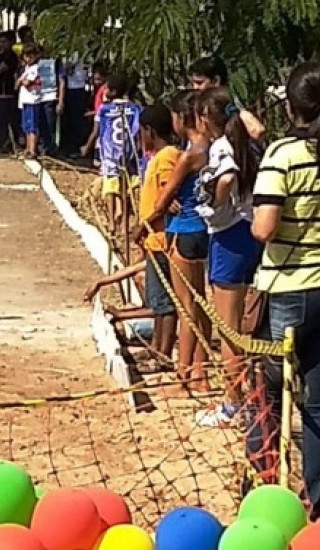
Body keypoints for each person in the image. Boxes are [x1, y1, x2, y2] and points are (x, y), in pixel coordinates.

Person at [249, 61, 320, 518]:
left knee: (269, 390)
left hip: (289, 289)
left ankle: (261, 487)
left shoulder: (283, 154)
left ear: (290, 106)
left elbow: (264, 227)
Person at [191, 87, 264, 427]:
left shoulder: (222, 145)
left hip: (229, 236)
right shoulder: (247, 140)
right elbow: (259, 130)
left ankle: (233, 403)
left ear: (206, 119)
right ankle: (248, 395)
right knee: (246, 324)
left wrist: (218, 202)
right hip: (248, 232)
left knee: (228, 328)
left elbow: (228, 176)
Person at [155, 90, 212, 394]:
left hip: (184, 230)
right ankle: (200, 373)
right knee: (202, 307)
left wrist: (146, 223)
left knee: (186, 308)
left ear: (180, 119)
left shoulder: (189, 155)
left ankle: (184, 376)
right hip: (204, 230)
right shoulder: (212, 148)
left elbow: (165, 198)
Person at [131, 103, 179, 370]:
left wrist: (143, 224)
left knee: (164, 302)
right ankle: (155, 349)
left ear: (149, 130)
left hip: (161, 237)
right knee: (157, 300)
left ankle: (163, 354)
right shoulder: (157, 158)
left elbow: (166, 200)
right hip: (153, 239)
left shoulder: (166, 158)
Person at [96, 73, 141, 235]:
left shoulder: (104, 110)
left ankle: (111, 221)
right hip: (128, 153)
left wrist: (93, 149)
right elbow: (137, 130)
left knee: (110, 187)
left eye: (107, 88)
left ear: (113, 91)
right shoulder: (135, 108)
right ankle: (123, 222)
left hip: (110, 153)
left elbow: (99, 131)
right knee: (124, 187)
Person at [187, 56, 265, 141]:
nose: (195, 88)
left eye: (199, 83)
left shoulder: (232, 106)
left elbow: (258, 130)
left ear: (216, 81)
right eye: (192, 83)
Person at [33, 47, 65, 157]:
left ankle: (50, 149)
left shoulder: (56, 62)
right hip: (36, 97)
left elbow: (61, 81)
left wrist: (61, 101)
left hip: (51, 97)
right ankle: (40, 147)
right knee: (38, 124)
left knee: (50, 125)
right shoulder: (35, 62)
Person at [18, 45, 40, 159]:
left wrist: (21, 81)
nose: (28, 58)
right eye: (26, 55)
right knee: (26, 125)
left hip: (32, 100)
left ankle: (32, 149)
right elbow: (17, 83)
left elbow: (26, 83)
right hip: (25, 100)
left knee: (32, 126)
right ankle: (27, 148)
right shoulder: (26, 68)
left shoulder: (35, 68)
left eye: (31, 55)